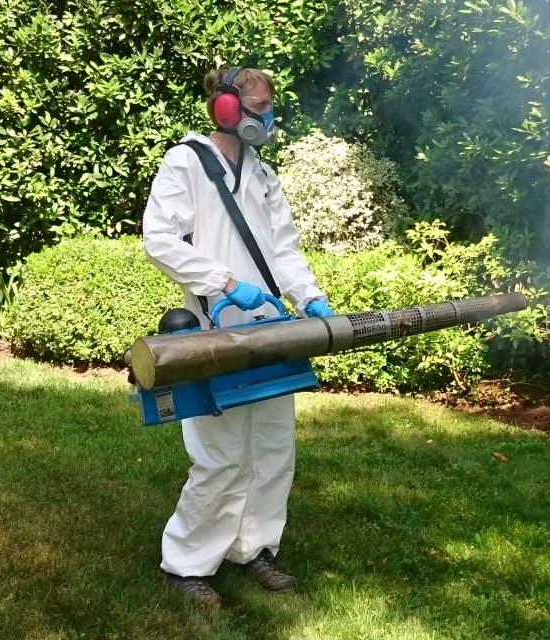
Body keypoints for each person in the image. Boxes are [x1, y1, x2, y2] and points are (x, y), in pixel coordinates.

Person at [141, 66, 336, 606]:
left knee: (274, 447)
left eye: (269, 104)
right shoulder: (186, 163)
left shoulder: (264, 174)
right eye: (258, 104)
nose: (267, 115)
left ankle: (255, 547)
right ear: (226, 109)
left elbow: (285, 249)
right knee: (222, 454)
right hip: (213, 333)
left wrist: (308, 297)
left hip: (274, 331)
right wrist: (227, 284)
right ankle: (186, 563)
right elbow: (159, 240)